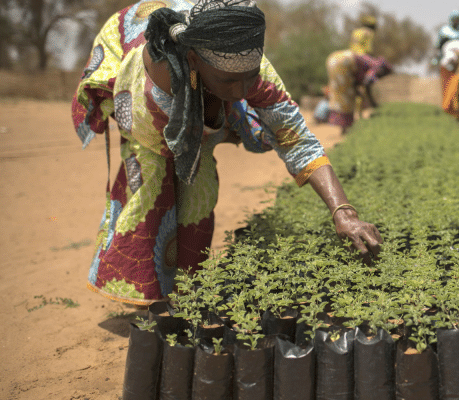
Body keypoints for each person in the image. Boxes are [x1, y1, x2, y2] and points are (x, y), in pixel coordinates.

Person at [71, 0, 383, 306]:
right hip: (142, 98)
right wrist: (209, 118)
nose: (242, 91)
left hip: (197, 86)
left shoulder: (249, 69)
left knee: (200, 191)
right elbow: (171, 136)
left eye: (250, 77)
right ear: (193, 59)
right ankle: (144, 291)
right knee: (153, 185)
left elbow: (297, 138)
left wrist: (344, 212)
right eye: (229, 80)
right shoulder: (158, 76)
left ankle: (185, 291)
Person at [325, 48, 392, 135]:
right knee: (346, 96)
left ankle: (344, 127)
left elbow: (358, 81)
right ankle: (346, 128)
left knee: (339, 94)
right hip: (344, 62)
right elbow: (367, 83)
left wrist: (358, 92)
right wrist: (374, 104)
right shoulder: (376, 67)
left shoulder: (369, 60)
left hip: (333, 59)